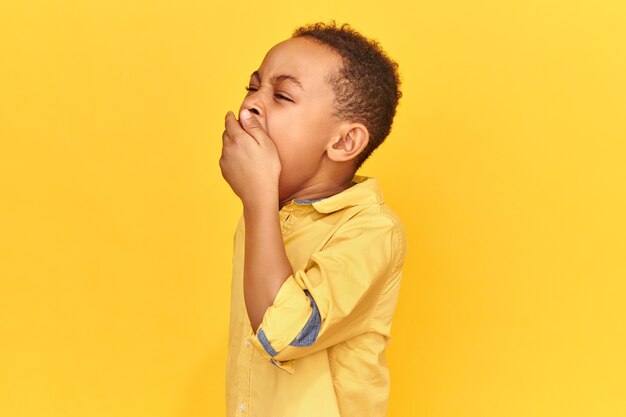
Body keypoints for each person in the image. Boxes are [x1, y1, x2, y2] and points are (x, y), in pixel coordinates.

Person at [219, 21, 407, 417]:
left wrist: (257, 198)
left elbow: (281, 333)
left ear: (343, 142)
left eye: (282, 95)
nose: (251, 105)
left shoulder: (372, 231)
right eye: (252, 87)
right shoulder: (272, 211)